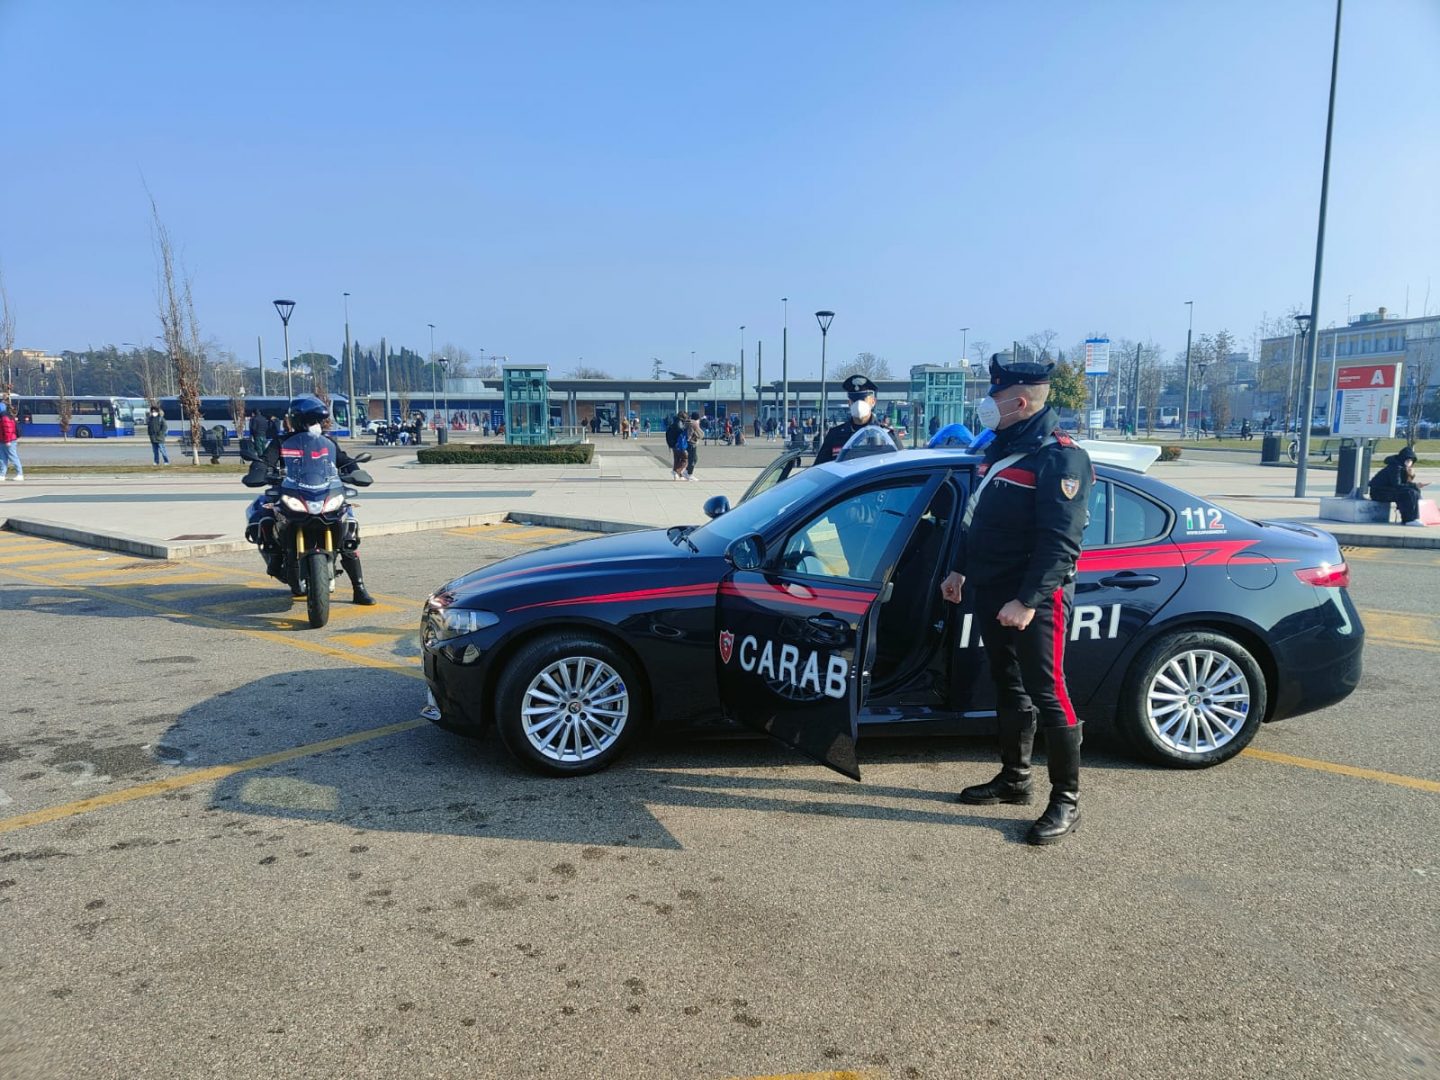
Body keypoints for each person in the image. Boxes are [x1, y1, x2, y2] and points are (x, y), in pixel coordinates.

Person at [938, 355, 1093, 845]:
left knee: (1050, 693)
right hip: (990, 589)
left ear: (1019, 401)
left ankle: (1066, 801)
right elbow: (975, 519)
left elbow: (1060, 544)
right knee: (1007, 684)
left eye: (994, 395)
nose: (986, 403)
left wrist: (1026, 601)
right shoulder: (1003, 448)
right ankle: (1015, 779)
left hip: (1035, 599)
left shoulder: (1060, 458)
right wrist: (960, 568)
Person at [254, 395, 376, 604]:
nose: (316, 425)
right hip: (292, 492)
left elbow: (344, 461)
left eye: (318, 421)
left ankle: (359, 588)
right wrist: (258, 471)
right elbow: (266, 461)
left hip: (324, 492)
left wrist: (355, 471)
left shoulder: (327, 442)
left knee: (349, 530)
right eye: (312, 421)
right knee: (264, 516)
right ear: (298, 420)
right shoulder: (281, 442)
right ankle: (274, 558)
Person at [815, 375, 902, 465]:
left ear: (873, 402)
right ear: (849, 403)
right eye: (854, 400)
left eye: (863, 399)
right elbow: (819, 469)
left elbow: (901, 470)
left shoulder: (887, 435)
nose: (858, 404)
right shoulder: (835, 435)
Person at [1368, 445, 1425, 525]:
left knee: (1414, 491)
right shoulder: (1395, 467)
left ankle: (1412, 518)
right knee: (1409, 493)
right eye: (1408, 460)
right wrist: (1414, 485)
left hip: (1388, 490)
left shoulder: (1403, 468)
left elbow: (1404, 484)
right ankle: (1410, 519)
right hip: (1378, 492)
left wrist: (1410, 476)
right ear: (1403, 459)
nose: (1409, 463)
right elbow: (1397, 485)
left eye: (1411, 461)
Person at [0, 401, 22, 482]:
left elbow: (8, 430)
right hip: (3, 441)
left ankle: (20, 474)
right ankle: (2, 475)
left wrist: (8, 441)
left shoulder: (4, 418)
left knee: (13, 457)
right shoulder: (4, 416)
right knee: (2, 458)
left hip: (9, 441)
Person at [665, 413, 688, 480]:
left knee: (677, 459)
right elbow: (681, 431)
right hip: (679, 444)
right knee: (685, 459)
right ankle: (676, 472)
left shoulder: (673, 422)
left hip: (673, 444)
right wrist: (685, 428)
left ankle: (678, 475)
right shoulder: (679, 423)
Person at [685, 410, 702, 481]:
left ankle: (687, 471)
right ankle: (689, 474)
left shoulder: (688, 422)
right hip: (692, 443)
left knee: (693, 458)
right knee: (693, 459)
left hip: (688, 443)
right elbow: (699, 433)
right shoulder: (694, 423)